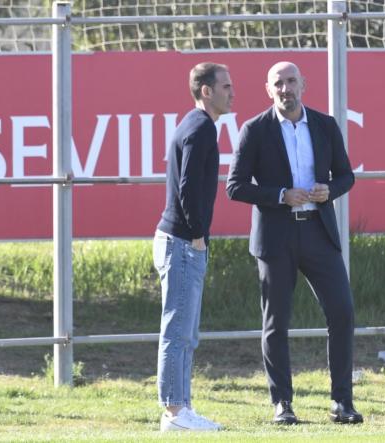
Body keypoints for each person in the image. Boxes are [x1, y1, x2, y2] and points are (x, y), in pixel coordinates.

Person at [226, 61, 362, 425]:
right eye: (278, 84)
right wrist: (280, 195)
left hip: (319, 231)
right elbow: (235, 186)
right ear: (268, 89)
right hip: (276, 236)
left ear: (304, 83)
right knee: (276, 323)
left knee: (342, 312)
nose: (285, 89)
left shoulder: (325, 125)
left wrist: (328, 190)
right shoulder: (254, 130)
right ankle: (282, 404)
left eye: (291, 81)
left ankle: (342, 403)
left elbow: (346, 175)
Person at [153, 62, 234, 432]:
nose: (231, 92)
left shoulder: (196, 124)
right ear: (206, 91)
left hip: (181, 241)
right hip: (183, 242)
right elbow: (187, 188)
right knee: (178, 331)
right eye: (225, 86)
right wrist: (199, 234)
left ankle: (182, 407)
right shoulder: (200, 128)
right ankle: (174, 412)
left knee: (186, 332)